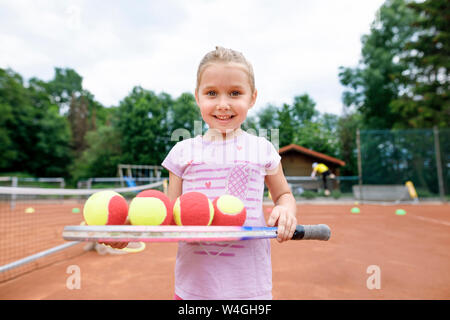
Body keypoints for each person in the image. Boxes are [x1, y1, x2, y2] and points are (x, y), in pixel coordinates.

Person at [161, 46, 297, 300]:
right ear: (197, 96)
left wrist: (286, 210)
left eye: (235, 93)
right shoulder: (181, 152)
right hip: (193, 290)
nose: (223, 104)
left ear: (252, 97)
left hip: (249, 291)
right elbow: (169, 216)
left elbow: (284, 195)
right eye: (211, 93)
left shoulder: (263, 149)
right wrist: (125, 232)